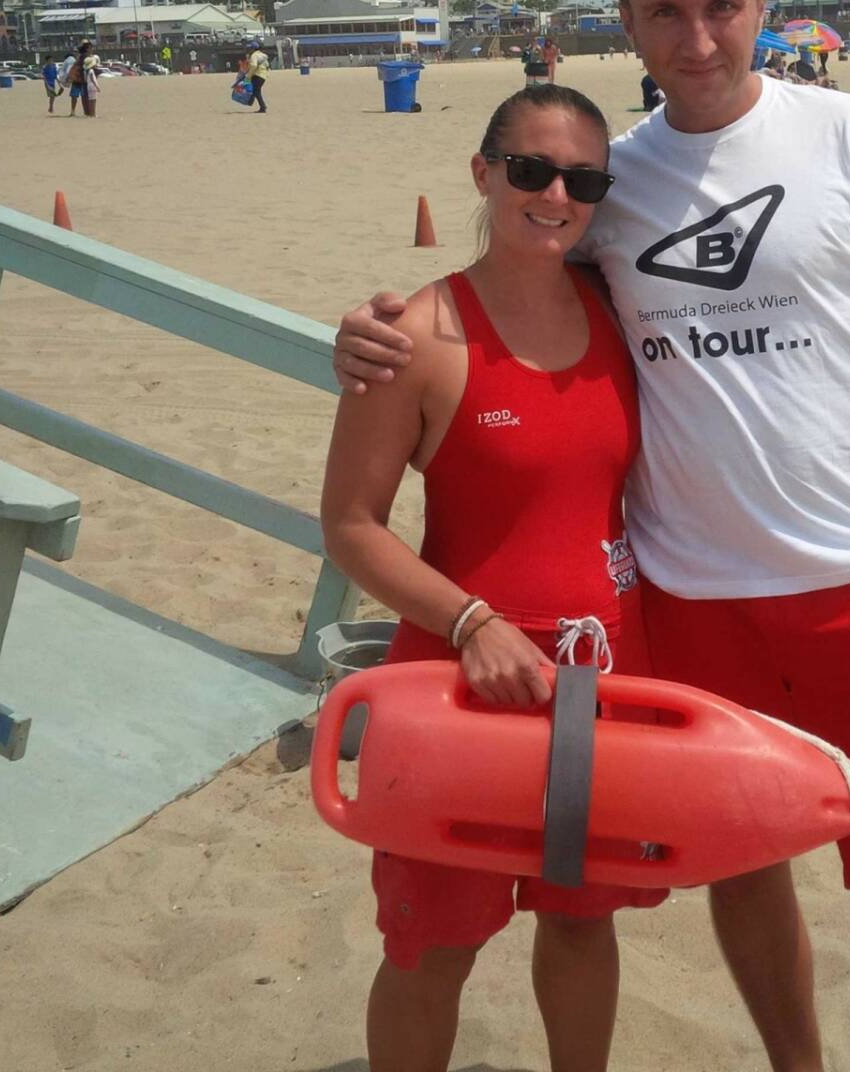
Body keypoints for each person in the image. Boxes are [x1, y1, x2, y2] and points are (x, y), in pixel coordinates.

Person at [334, 0, 850, 1072]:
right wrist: (375, 329)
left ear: (762, 2)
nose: (697, 37)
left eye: (722, 5)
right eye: (664, 12)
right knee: (744, 875)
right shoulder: (617, 178)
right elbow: (507, 300)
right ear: (627, 20)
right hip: (686, 603)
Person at [321, 83, 666, 1072]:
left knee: (582, 926)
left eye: (582, 179)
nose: (555, 194)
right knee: (435, 942)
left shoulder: (615, 306)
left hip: (603, 685)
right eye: (531, 169)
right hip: (459, 690)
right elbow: (350, 525)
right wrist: (471, 621)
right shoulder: (418, 335)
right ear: (483, 173)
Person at [62, 40, 100, 118]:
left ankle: (84, 112)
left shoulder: (83, 57)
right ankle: (87, 112)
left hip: (81, 78)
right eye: (90, 48)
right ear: (87, 49)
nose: (92, 49)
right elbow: (85, 68)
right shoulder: (85, 57)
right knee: (84, 96)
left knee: (80, 96)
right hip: (81, 79)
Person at [244, 40, 269, 113]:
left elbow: (253, 65)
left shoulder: (254, 55)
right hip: (263, 76)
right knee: (257, 90)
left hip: (257, 75)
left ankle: (262, 106)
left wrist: (248, 76)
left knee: (255, 91)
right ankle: (258, 104)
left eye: (249, 48)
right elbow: (267, 65)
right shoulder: (262, 55)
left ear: (253, 49)